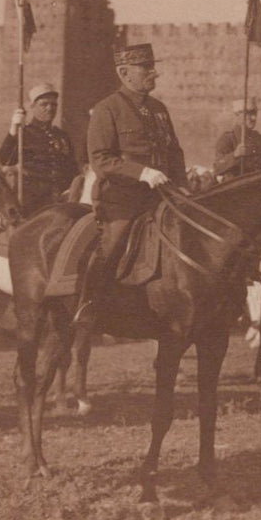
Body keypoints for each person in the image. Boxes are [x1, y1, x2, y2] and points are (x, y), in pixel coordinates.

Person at [77, 43, 187, 325]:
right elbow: (101, 159)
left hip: (162, 196)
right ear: (125, 73)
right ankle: (88, 304)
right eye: (146, 68)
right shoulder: (107, 109)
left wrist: (183, 186)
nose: (154, 73)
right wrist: (141, 173)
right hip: (122, 199)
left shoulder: (159, 109)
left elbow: (174, 152)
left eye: (152, 67)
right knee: (112, 244)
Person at [0, 82, 78, 216]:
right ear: (33, 107)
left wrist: (70, 190)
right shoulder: (24, 134)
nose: (49, 108)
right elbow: (6, 160)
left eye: (53, 105)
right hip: (31, 204)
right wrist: (13, 131)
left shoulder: (61, 136)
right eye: (44, 104)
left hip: (60, 201)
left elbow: (72, 168)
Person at [213, 98, 261, 180]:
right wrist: (234, 155)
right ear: (238, 115)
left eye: (255, 114)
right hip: (236, 188)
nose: (254, 118)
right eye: (249, 114)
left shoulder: (259, 139)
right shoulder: (227, 139)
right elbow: (217, 167)